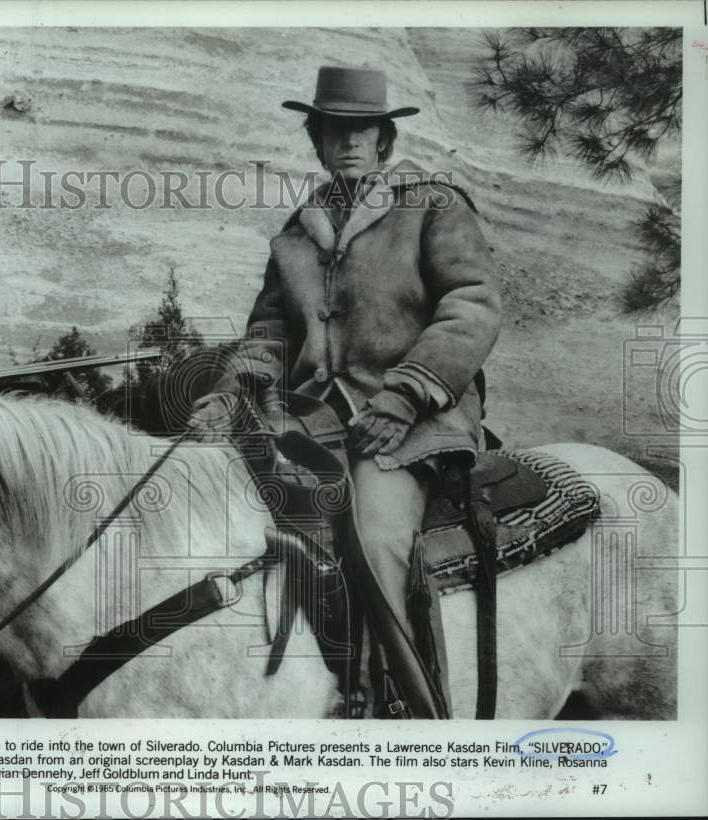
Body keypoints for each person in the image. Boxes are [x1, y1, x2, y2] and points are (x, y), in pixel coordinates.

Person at [188, 66, 502, 718]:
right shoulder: (299, 233)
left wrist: (405, 396)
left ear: (384, 137)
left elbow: (472, 306)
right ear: (319, 138)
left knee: (373, 536)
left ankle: (413, 715)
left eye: (363, 129)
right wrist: (229, 394)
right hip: (309, 419)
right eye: (336, 130)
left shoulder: (433, 207)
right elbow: (269, 332)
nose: (350, 141)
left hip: (413, 422)